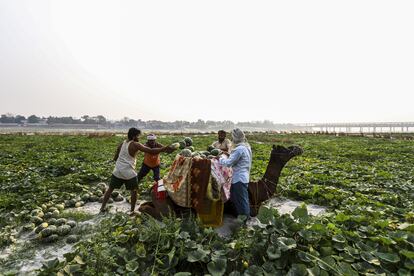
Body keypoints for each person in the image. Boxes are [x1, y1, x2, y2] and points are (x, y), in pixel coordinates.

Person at [100, 128, 173, 215]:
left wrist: (118, 162)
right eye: (138, 135)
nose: (140, 137)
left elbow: (116, 157)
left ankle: (102, 207)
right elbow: (150, 151)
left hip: (118, 170)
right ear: (134, 136)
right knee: (134, 191)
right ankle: (132, 211)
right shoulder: (135, 144)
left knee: (110, 189)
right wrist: (164, 148)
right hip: (129, 172)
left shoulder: (122, 143)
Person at [218, 128, 252, 219]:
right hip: (244, 177)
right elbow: (236, 158)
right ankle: (242, 219)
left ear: (235, 138)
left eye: (232, 137)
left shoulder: (239, 149)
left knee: (242, 201)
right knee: (240, 200)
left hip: (238, 179)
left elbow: (228, 163)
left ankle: (245, 222)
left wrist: (220, 157)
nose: (232, 140)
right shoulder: (246, 146)